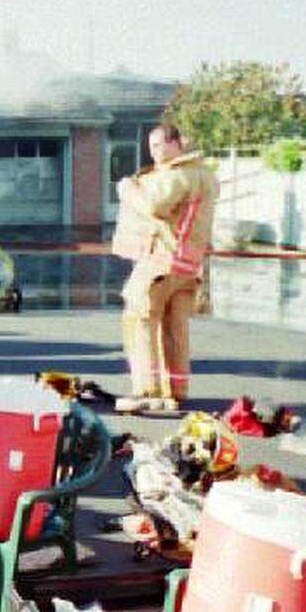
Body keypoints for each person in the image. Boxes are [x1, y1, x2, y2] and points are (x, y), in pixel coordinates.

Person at [114, 122, 217, 413]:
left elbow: (152, 205)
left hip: (162, 260)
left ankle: (147, 390)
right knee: (175, 328)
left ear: (178, 143)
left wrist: (127, 189)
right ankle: (176, 387)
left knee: (139, 320)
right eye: (152, 147)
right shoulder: (205, 175)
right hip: (188, 266)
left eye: (160, 145)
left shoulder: (180, 175)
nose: (155, 153)